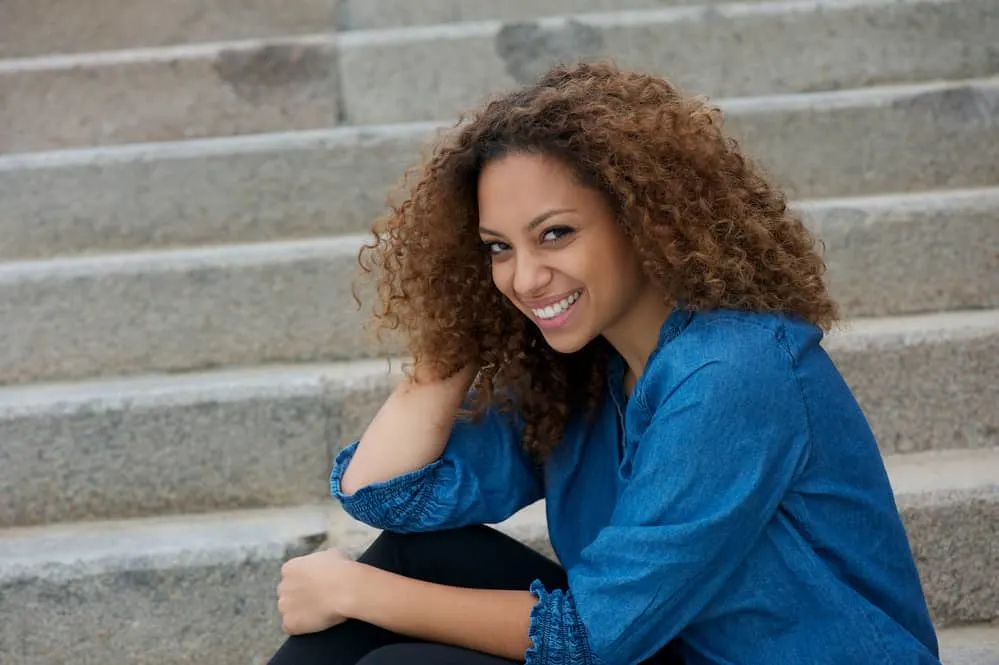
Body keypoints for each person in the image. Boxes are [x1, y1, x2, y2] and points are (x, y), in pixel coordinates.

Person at [267, 61, 941, 665]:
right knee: (419, 556)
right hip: (674, 649)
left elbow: (592, 635)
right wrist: (461, 324)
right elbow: (389, 494)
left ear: (644, 219)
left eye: (555, 233)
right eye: (498, 248)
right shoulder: (587, 373)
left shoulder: (732, 372)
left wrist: (356, 590)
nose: (525, 276)